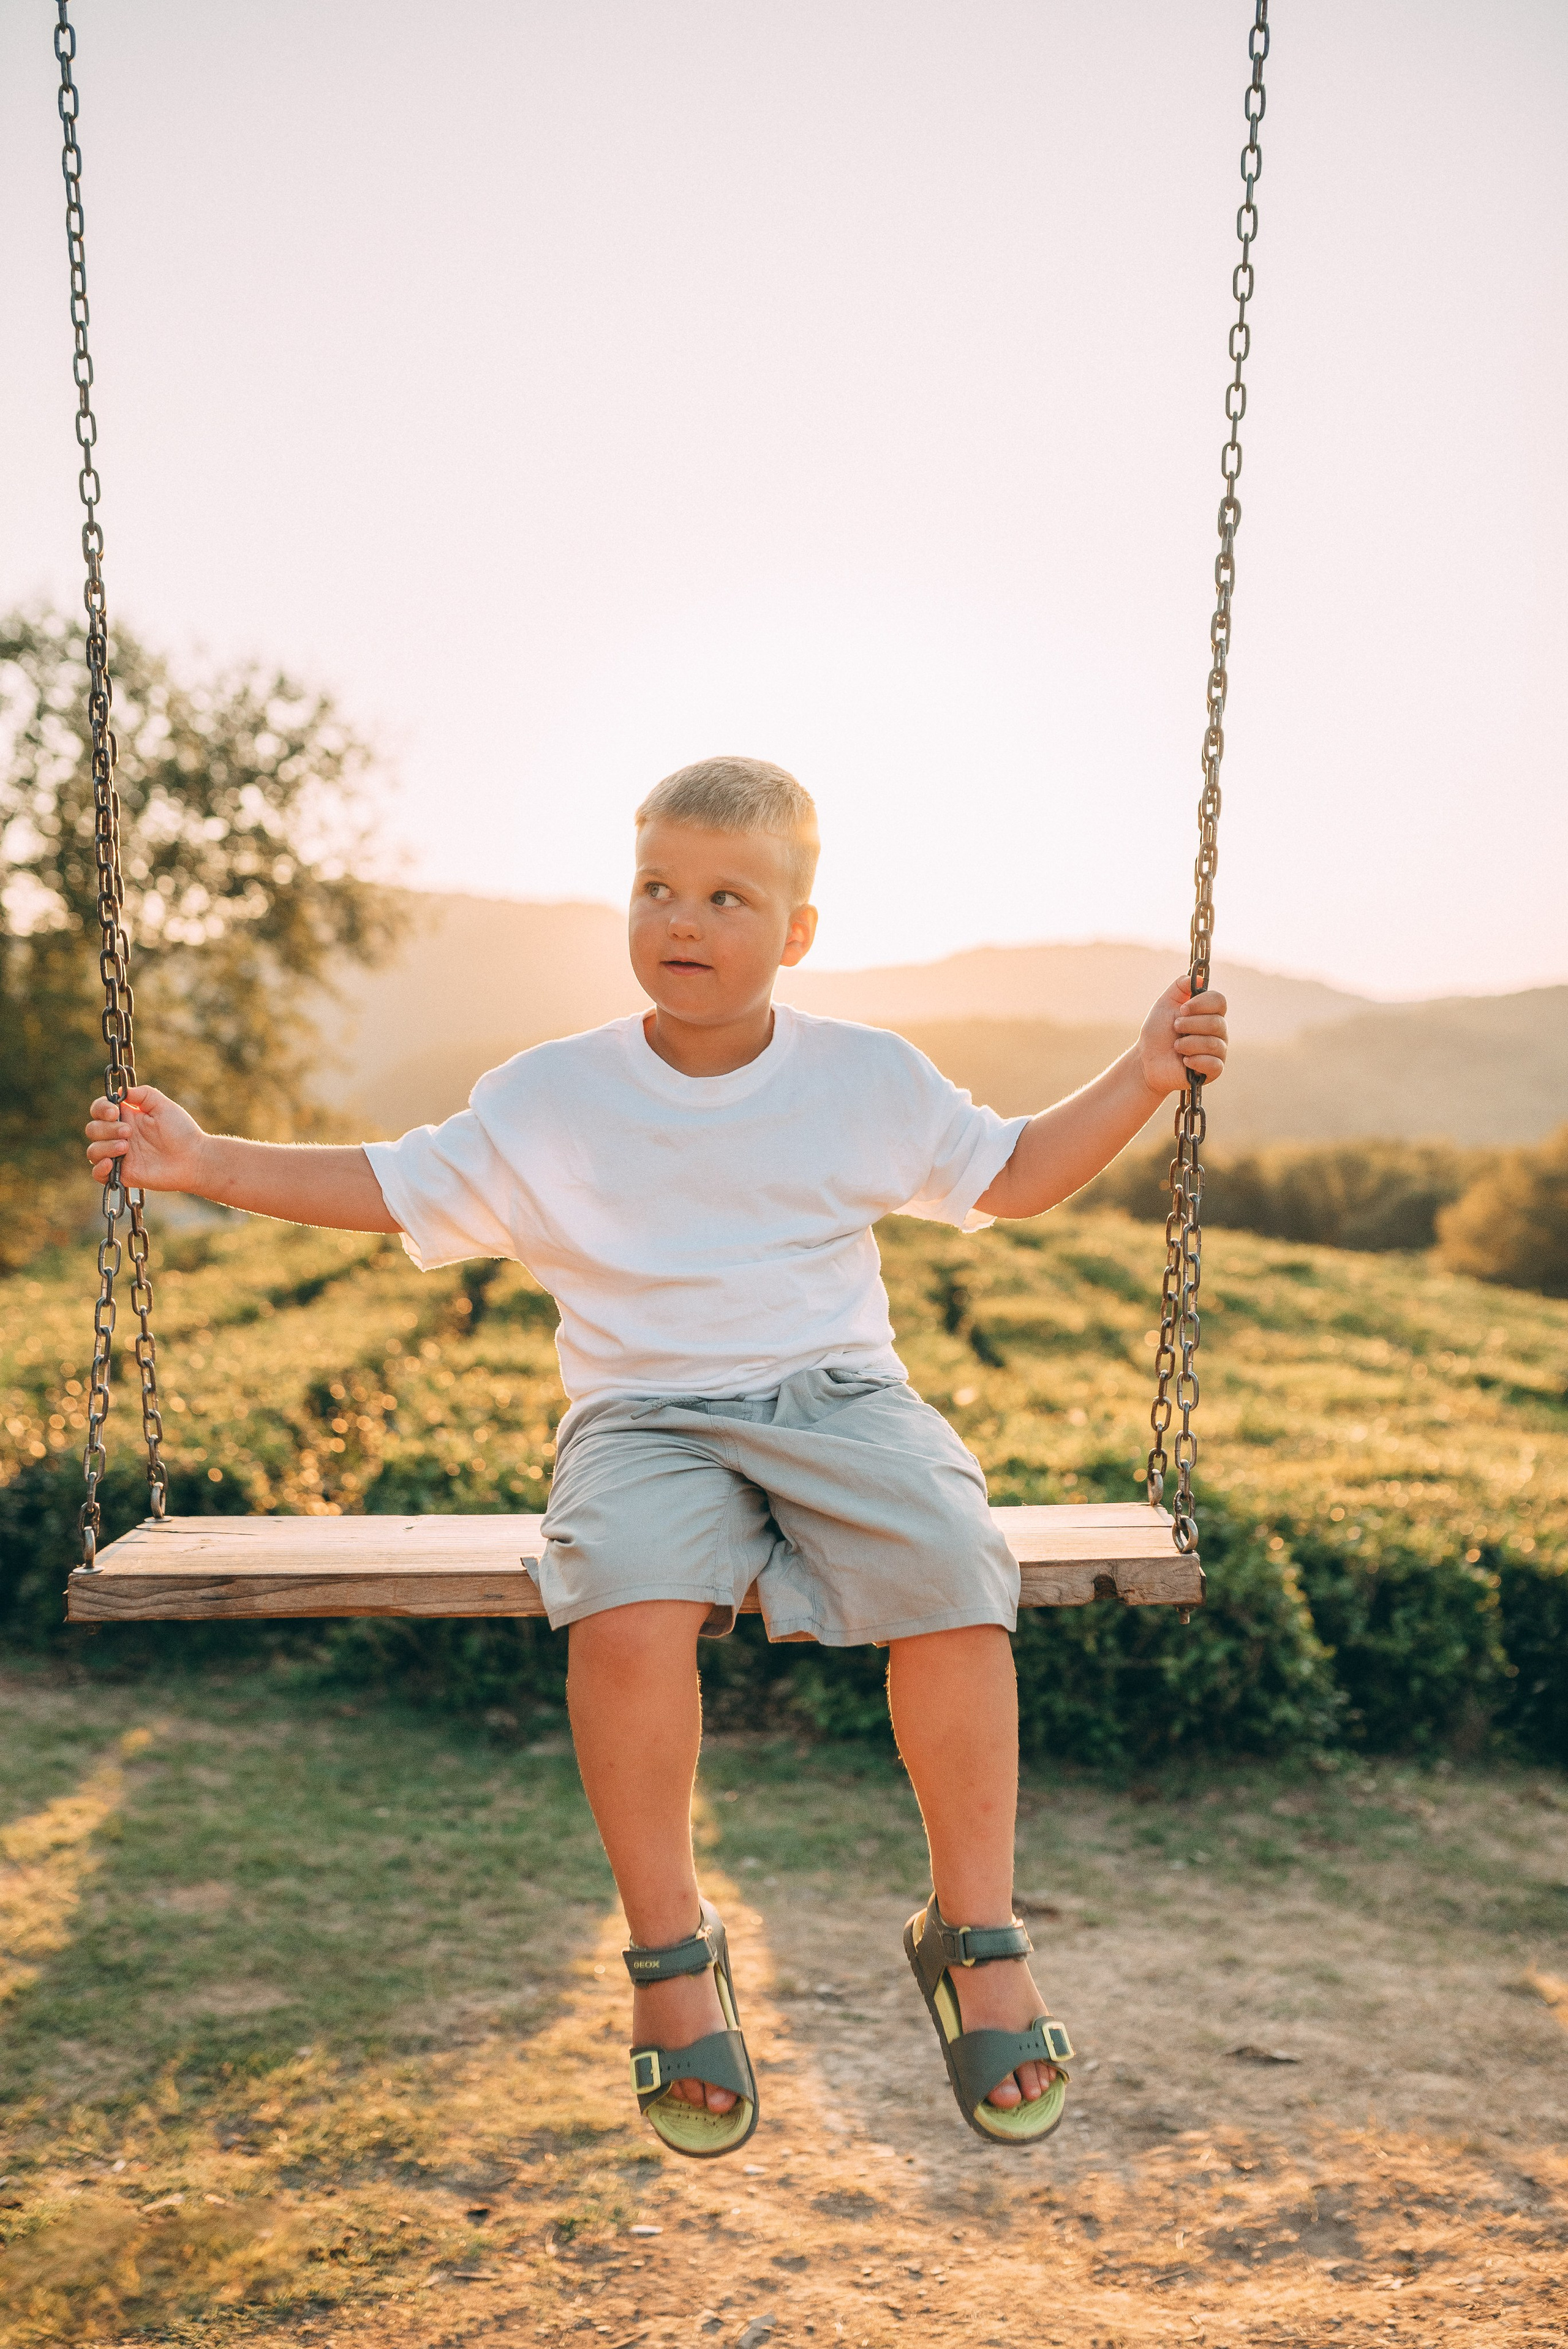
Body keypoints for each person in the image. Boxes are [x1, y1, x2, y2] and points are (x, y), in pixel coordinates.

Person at [85, 755, 1227, 2157]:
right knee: (620, 1606)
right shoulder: (553, 1093)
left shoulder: (863, 1075)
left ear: (796, 934)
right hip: (642, 1413)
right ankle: (671, 1951)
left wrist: (1143, 1072)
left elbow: (1015, 1173)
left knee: (952, 1571)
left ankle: (974, 1929)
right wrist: (208, 1162)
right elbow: (388, 1183)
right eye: (655, 888)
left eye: (727, 897)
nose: (683, 918)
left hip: (838, 1397)